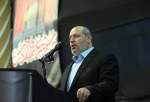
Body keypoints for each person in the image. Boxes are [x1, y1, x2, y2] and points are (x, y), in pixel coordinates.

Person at [59, 26, 119, 102]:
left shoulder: (104, 58)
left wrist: (90, 90)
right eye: (70, 37)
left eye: (76, 36)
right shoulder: (68, 68)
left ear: (88, 39)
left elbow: (111, 84)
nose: (71, 40)